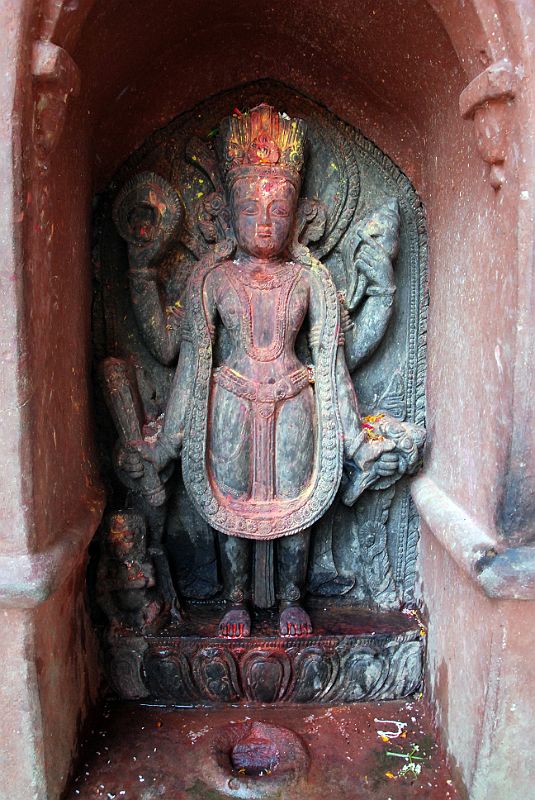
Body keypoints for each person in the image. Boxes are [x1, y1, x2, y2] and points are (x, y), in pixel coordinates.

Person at [118, 104, 399, 638]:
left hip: (295, 403)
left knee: (299, 503)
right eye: (250, 209)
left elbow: (334, 362)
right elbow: (187, 364)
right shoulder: (214, 280)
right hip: (229, 403)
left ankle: (292, 597)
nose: (265, 222)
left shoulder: (310, 280)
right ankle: (236, 600)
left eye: (278, 208)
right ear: (226, 216)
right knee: (228, 507)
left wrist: (354, 438)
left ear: (301, 215)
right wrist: (168, 444)